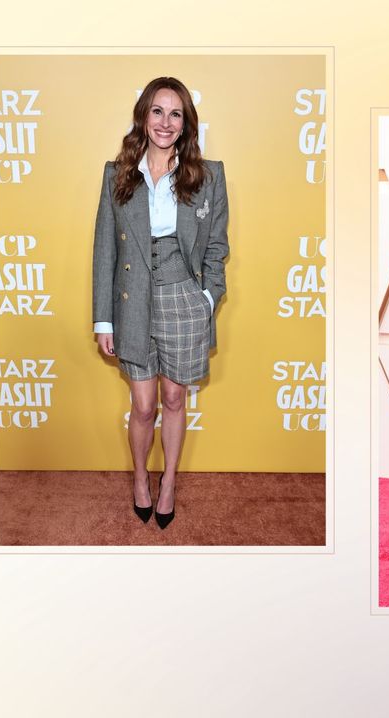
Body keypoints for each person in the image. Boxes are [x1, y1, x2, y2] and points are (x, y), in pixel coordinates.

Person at [92, 77, 228, 530]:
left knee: (174, 397)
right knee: (144, 405)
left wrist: (207, 298)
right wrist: (103, 319)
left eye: (175, 113)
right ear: (143, 117)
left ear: (185, 122)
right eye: (157, 111)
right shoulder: (118, 175)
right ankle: (140, 478)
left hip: (184, 301)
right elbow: (105, 251)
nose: (165, 122)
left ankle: (168, 482)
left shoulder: (208, 176)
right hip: (133, 302)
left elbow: (216, 249)